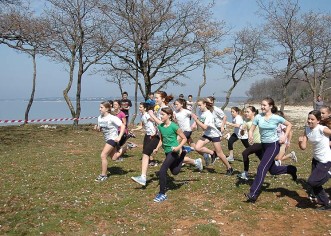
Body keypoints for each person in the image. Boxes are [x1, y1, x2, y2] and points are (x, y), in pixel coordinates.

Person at [245, 97, 297, 203]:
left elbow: (289, 125)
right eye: (261, 105)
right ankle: (290, 169)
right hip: (263, 145)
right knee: (272, 170)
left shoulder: (276, 118)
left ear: (271, 106)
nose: (262, 107)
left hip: (273, 145)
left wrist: (284, 137)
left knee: (261, 168)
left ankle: (253, 194)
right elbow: (252, 129)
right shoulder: (258, 117)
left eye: (264, 105)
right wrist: (250, 135)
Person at [298, 110, 331, 211]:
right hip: (316, 159)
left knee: (312, 182)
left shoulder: (322, 129)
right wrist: (300, 142)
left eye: (312, 119)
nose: (310, 121)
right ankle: (326, 203)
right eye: (308, 118)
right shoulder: (307, 130)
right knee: (314, 183)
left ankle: (329, 172)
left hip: (325, 160)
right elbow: (303, 147)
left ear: (318, 120)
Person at [153, 107, 188, 202]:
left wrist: (178, 147)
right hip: (167, 151)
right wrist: (157, 148)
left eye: (163, 114)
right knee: (175, 172)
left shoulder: (174, 126)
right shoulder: (160, 126)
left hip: (174, 151)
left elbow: (184, 138)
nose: (161, 116)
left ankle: (162, 194)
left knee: (162, 170)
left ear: (169, 115)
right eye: (160, 114)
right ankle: (183, 154)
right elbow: (161, 139)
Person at [191, 98, 233, 175]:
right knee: (197, 147)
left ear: (205, 104)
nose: (199, 107)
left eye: (200, 105)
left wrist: (196, 120)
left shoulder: (209, 115)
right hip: (207, 134)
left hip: (214, 134)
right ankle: (212, 153)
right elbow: (200, 122)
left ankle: (229, 168)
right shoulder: (201, 112)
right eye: (198, 106)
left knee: (220, 154)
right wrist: (194, 124)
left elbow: (205, 127)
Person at [95, 101, 126, 182]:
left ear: (107, 109)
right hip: (107, 139)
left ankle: (103, 175)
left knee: (103, 155)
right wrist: (97, 129)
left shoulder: (112, 118)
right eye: (99, 107)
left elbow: (123, 126)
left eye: (101, 107)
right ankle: (126, 147)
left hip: (113, 139)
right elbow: (100, 129)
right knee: (114, 157)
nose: (99, 109)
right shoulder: (99, 118)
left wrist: (119, 137)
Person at [131, 102, 159, 186]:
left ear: (145, 108)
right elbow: (141, 126)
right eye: (139, 107)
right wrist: (134, 130)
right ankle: (147, 169)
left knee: (146, 153)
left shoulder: (147, 115)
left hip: (152, 135)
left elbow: (155, 121)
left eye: (141, 107)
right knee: (145, 152)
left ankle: (143, 176)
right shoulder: (142, 116)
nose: (139, 108)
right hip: (147, 135)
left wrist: (155, 131)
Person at [173, 98, 203, 171]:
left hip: (187, 131)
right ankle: (202, 158)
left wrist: (194, 124)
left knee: (176, 142)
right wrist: (175, 120)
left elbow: (196, 117)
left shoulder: (186, 111)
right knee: (194, 147)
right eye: (175, 104)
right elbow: (177, 122)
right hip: (181, 131)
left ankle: (186, 150)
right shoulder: (175, 112)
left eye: (177, 104)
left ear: (182, 104)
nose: (175, 105)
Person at [237, 106, 263, 180]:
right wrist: (242, 130)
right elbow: (242, 134)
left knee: (245, 153)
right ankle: (276, 165)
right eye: (245, 112)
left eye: (248, 112)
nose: (246, 113)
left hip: (261, 143)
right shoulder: (246, 122)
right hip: (255, 144)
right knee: (263, 159)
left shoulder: (259, 120)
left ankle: (245, 173)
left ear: (253, 113)